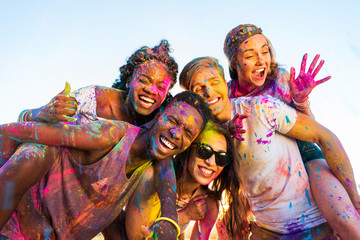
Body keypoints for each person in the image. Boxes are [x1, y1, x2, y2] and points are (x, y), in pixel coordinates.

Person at [179, 57, 360, 239]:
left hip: (311, 226)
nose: (209, 92)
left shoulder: (261, 108)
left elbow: (324, 136)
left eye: (214, 82)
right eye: (198, 88)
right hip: (264, 231)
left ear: (225, 84)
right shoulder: (201, 133)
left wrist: (354, 198)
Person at [0, 91, 213, 240]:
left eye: (188, 133)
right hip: (15, 225)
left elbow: (167, 186)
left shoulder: (161, 162)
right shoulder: (111, 134)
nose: (177, 133)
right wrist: (29, 212)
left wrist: (169, 221)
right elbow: (29, 132)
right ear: (159, 115)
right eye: (173, 121)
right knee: (35, 151)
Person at [222, 24, 360, 213]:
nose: (261, 61)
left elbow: (313, 130)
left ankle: (356, 201)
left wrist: (300, 100)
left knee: (344, 211)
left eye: (265, 52)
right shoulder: (226, 94)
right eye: (250, 56)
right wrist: (228, 127)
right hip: (259, 175)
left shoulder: (280, 80)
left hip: (303, 156)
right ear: (233, 63)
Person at [106, 121, 249, 240]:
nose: (211, 162)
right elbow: (136, 237)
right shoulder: (153, 177)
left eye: (221, 157)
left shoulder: (208, 202)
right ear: (188, 149)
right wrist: (185, 215)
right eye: (204, 151)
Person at [18, 39, 178, 126]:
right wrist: (42, 113)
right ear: (129, 79)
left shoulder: (162, 120)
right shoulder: (91, 97)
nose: (151, 90)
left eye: (161, 87)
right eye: (144, 80)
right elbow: (22, 117)